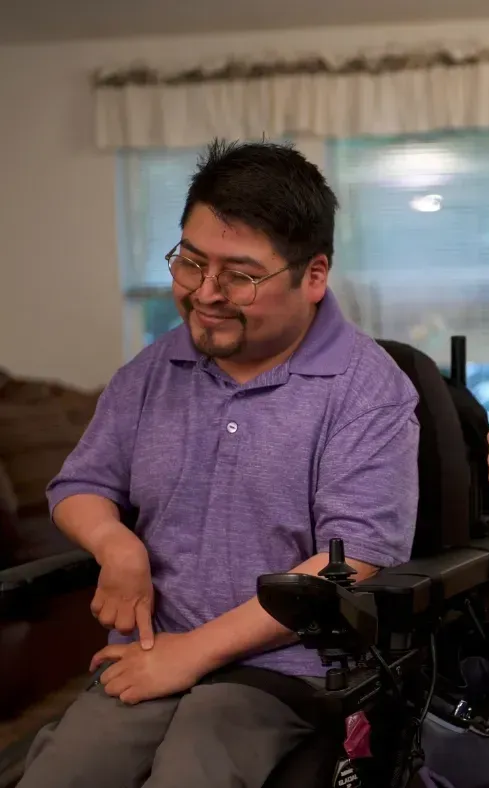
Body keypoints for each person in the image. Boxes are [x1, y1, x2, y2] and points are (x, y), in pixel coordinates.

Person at [18, 140, 420, 788]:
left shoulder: (365, 387)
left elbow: (357, 558)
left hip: (288, 670)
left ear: (313, 275)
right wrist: (116, 545)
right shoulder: (152, 372)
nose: (205, 293)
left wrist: (190, 657)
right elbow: (82, 484)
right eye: (190, 262)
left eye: (238, 275)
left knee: (190, 773)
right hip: (151, 652)